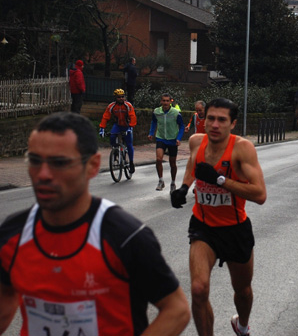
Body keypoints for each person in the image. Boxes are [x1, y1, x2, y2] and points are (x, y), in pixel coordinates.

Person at [0, 112, 190, 336]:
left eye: (59, 162)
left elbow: (176, 310)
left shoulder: (126, 236)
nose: (43, 174)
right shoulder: (14, 232)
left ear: (92, 165)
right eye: (34, 161)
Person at [170, 98, 267, 336]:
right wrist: (183, 187)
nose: (214, 125)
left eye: (221, 120)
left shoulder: (242, 148)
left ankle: (242, 324)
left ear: (232, 124)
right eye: (210, 118)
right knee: (198, 289)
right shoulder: (196, 141)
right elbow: (193, 165)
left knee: (242, 291)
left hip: (235, 228)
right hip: (203, 227)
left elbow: (260, 194)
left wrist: (220, 180)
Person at [148, 93, 185, 192]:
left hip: (173, 139)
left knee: (172, 163)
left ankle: (173, 183)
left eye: (167, 101)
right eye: (163, 101)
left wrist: (179, 138)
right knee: (158, 159)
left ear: (170, 102)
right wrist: (151, 133)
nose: (165, 103)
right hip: (161, 138)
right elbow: (154, 122)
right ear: (161, 101)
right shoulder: (156, 111)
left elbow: (182, 126)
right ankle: (161, 181)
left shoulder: (176, 113)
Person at [99, 88, 137, 173]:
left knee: (129, 144)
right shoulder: (111, 106)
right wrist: (102, 128)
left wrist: (131, 127)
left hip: (127, 126)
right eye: (119, 97)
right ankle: (115, 150)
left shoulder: (128, 105)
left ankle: (131, 163)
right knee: (112, 136)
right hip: (118, 125)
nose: (121, 98)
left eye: (123, 97)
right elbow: (105, 117)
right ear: (115, 98)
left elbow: (133, 117)